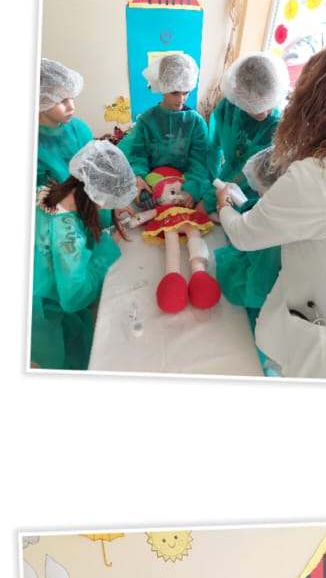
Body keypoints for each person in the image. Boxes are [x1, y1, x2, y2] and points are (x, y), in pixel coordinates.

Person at [214, 42, 326, 379]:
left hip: (313, 315)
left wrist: (224, 204)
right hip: (309, 296)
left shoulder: (313, 178)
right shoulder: (319, 171)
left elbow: (247, 235)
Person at [31, 140, 136, 370]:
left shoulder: (50, 191)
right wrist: (106, 250)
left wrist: (106, 213)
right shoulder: (67, 237)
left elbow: (83, 211)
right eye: (106, 203)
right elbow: (75, 296)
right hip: (43, 312)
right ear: (97, 197)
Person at [118, 53, 210, 209]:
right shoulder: (147, 120)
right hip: (153, 182)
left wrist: (192, 189)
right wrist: (139, 178)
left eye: (186, 92)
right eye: (174, 92)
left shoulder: (195, 122)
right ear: (162, 86)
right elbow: (137, 154)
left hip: (185, 183)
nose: (180, 99)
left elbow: (200, 161)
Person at [204, 52, 288, 212]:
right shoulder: (226, 110)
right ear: (239, 94)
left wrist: (216, 198)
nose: (264, 113)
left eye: (269, 105)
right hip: (224, 183)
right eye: (256, 107)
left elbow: (258, 176)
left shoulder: (276, 126)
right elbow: (214, 149)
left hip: (254, 195)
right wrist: (209, 185)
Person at [214, 147, 282, 320]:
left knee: (231, 270)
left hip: (264, 288)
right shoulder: (291, 204)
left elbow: (242, 232)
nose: (258, 193)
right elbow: (256, 209)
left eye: (260, 189)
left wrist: (224, 205)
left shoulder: (270, 225)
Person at [36, 58, 93, 189]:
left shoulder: (80, 129)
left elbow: (94, 170)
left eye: (71, 98)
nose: (72, 107)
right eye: (61, 100)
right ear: (39, 99)